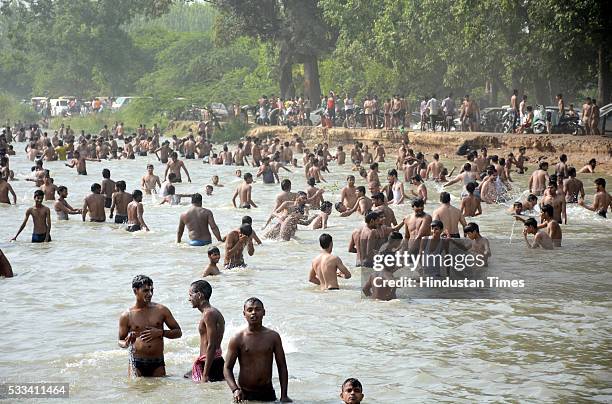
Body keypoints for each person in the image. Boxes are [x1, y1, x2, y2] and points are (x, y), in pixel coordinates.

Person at [224, 297, 292, 403]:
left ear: (264, 312)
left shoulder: (273, 337)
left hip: (267, 392)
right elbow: (227, 368)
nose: (253, 313)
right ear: (244, 313)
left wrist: (284, 395)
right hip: (244, 394)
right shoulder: (238, 338)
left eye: (257, 309)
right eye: (250, 310)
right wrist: (235, 389)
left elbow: (282, 366)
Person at [117, 275, 182, 377]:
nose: (150, 294)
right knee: (136, 391)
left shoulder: (161, 310)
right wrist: (126, 342)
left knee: (160, 391)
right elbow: (120, 341)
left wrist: (161, 332)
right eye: (146, 290)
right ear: (135, 291)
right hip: (136, 363)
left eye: (152, 290)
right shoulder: (126, 315)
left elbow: (178, 332)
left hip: (158, 363)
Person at [185, 280, 225, 382]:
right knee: (186, 377)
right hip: (210, 361)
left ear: (199, 295)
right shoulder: (209, 312)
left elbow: (211, 345)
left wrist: (205, 375)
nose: (189, 299)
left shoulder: (209, 314)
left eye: (190, 295)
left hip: (212, 363)